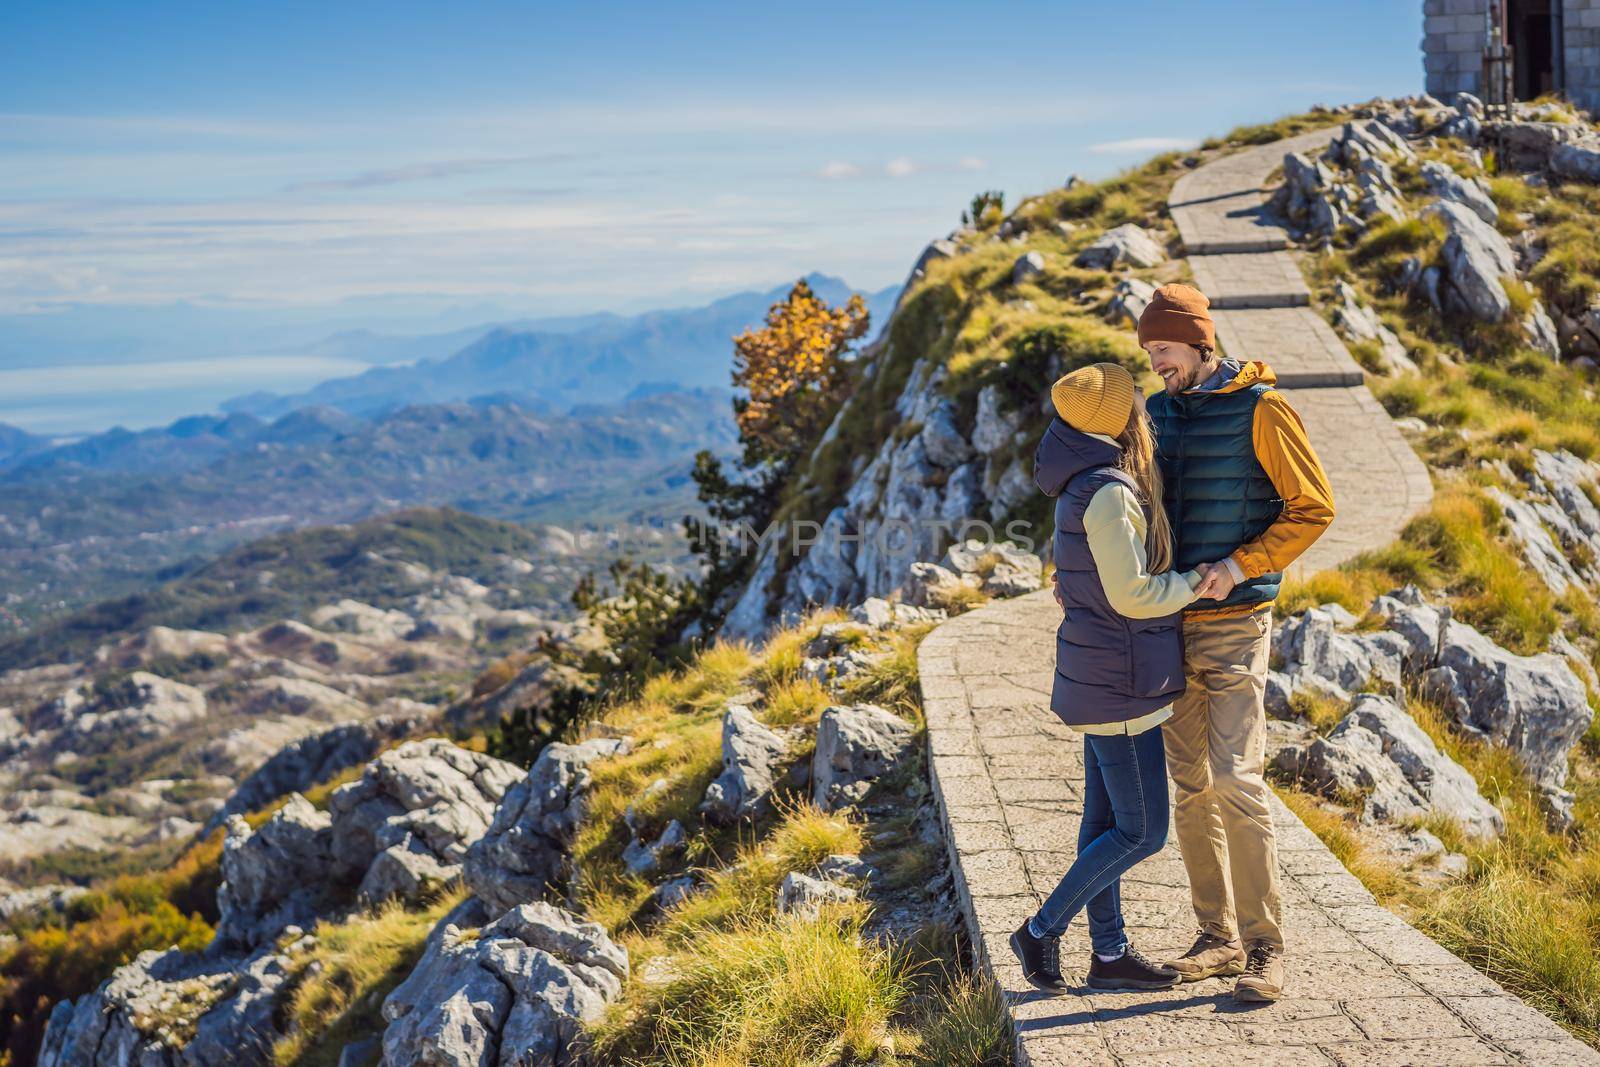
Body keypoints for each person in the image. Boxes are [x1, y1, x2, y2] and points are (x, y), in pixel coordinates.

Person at [1137, 283, 1335, 1003]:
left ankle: (1265, 944)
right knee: (1189, 787)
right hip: (1166, 628)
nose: (1157, 363)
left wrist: (1240, 564)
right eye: (1150, 352)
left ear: (1197, 340)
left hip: (1235, 624)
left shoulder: (1264, 409)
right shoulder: (1157, 413)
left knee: (1234, 779)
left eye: (1163, 349)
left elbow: (1314, 507)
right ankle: (1216, 936)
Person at [1008, 362, 1218, 992]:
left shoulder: (1082, 479)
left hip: (1103, 672)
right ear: (1121, 419)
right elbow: (1129, 595)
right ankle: (1040, 932)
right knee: (1143, 831)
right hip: (1121, 682)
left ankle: (1109, 956)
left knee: (1103, 827)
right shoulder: (1108, 491)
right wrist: (1191, 585)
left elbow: (1086, 579)